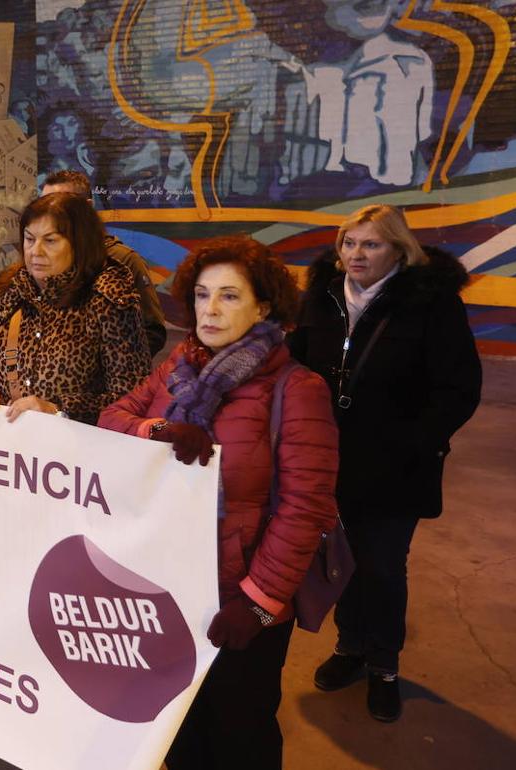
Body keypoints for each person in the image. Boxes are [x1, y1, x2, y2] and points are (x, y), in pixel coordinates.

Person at [97, 235, 340, 769]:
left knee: (239, 733)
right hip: (169, 588)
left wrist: (257, 602)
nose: (210, 309)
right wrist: (158, 429)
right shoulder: (176, 369)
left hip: (239, 600)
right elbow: (111, 418)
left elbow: (304, 509)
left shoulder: (297, 389)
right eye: (203, 294)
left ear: (264, 307)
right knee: (177, 725)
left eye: (229, 296)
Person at [288, 204, 482, 722]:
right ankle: (350, 648)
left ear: (399, 249)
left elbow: (459, 388)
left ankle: (384, 666)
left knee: (383, 567)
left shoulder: (431, 303)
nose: (356, 255)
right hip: (327, 461)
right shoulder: (323, 297)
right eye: (349, 243)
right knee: (341, 561)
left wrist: (414, 442)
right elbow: (296, 360)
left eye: (370, 244)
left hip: (396, 468)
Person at [0, 193, 151, 422]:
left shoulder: (108, 300)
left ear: (79, 243)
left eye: (50, 241)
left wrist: (57, 408)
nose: (35, 251)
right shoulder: (7, 294)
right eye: (29, 239)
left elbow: (133, 397)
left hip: (79, 452)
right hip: (8, 447)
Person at [42, 169, 167, 355]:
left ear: (88, 207)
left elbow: (152, 331)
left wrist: (111, 366)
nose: (50, 213)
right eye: (43, 205)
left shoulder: (122, 260)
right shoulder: (40, 260)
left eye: (61, 204)